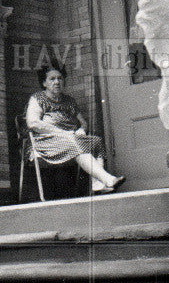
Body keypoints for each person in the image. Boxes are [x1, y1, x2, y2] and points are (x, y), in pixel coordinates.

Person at [25, 63, 124, 194]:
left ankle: (97, 183)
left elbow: (82, 123)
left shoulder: (69, 101)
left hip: (70, 139)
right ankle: (108, 179)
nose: (57, 82)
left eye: (60, 78)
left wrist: (81, 130)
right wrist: (63, 133)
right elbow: (33, 123)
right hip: (46, 142)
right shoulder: (38, 98)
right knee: (74, 143)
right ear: (44, 83)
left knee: (96, 141)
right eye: (52, 79)